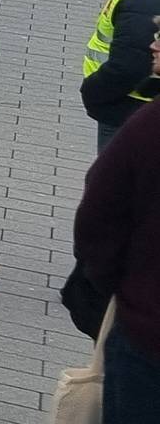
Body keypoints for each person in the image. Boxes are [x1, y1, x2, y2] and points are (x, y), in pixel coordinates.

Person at [75, 63, 160, 423]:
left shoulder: (150, 126)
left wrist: (124, 289)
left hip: (147, 339)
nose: (153, 44)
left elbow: (98, 215)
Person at [86, 0, 160, 149]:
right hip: (132, 106)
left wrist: (94, 91)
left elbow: (132, 63)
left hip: (128, 108)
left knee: (112, 184)